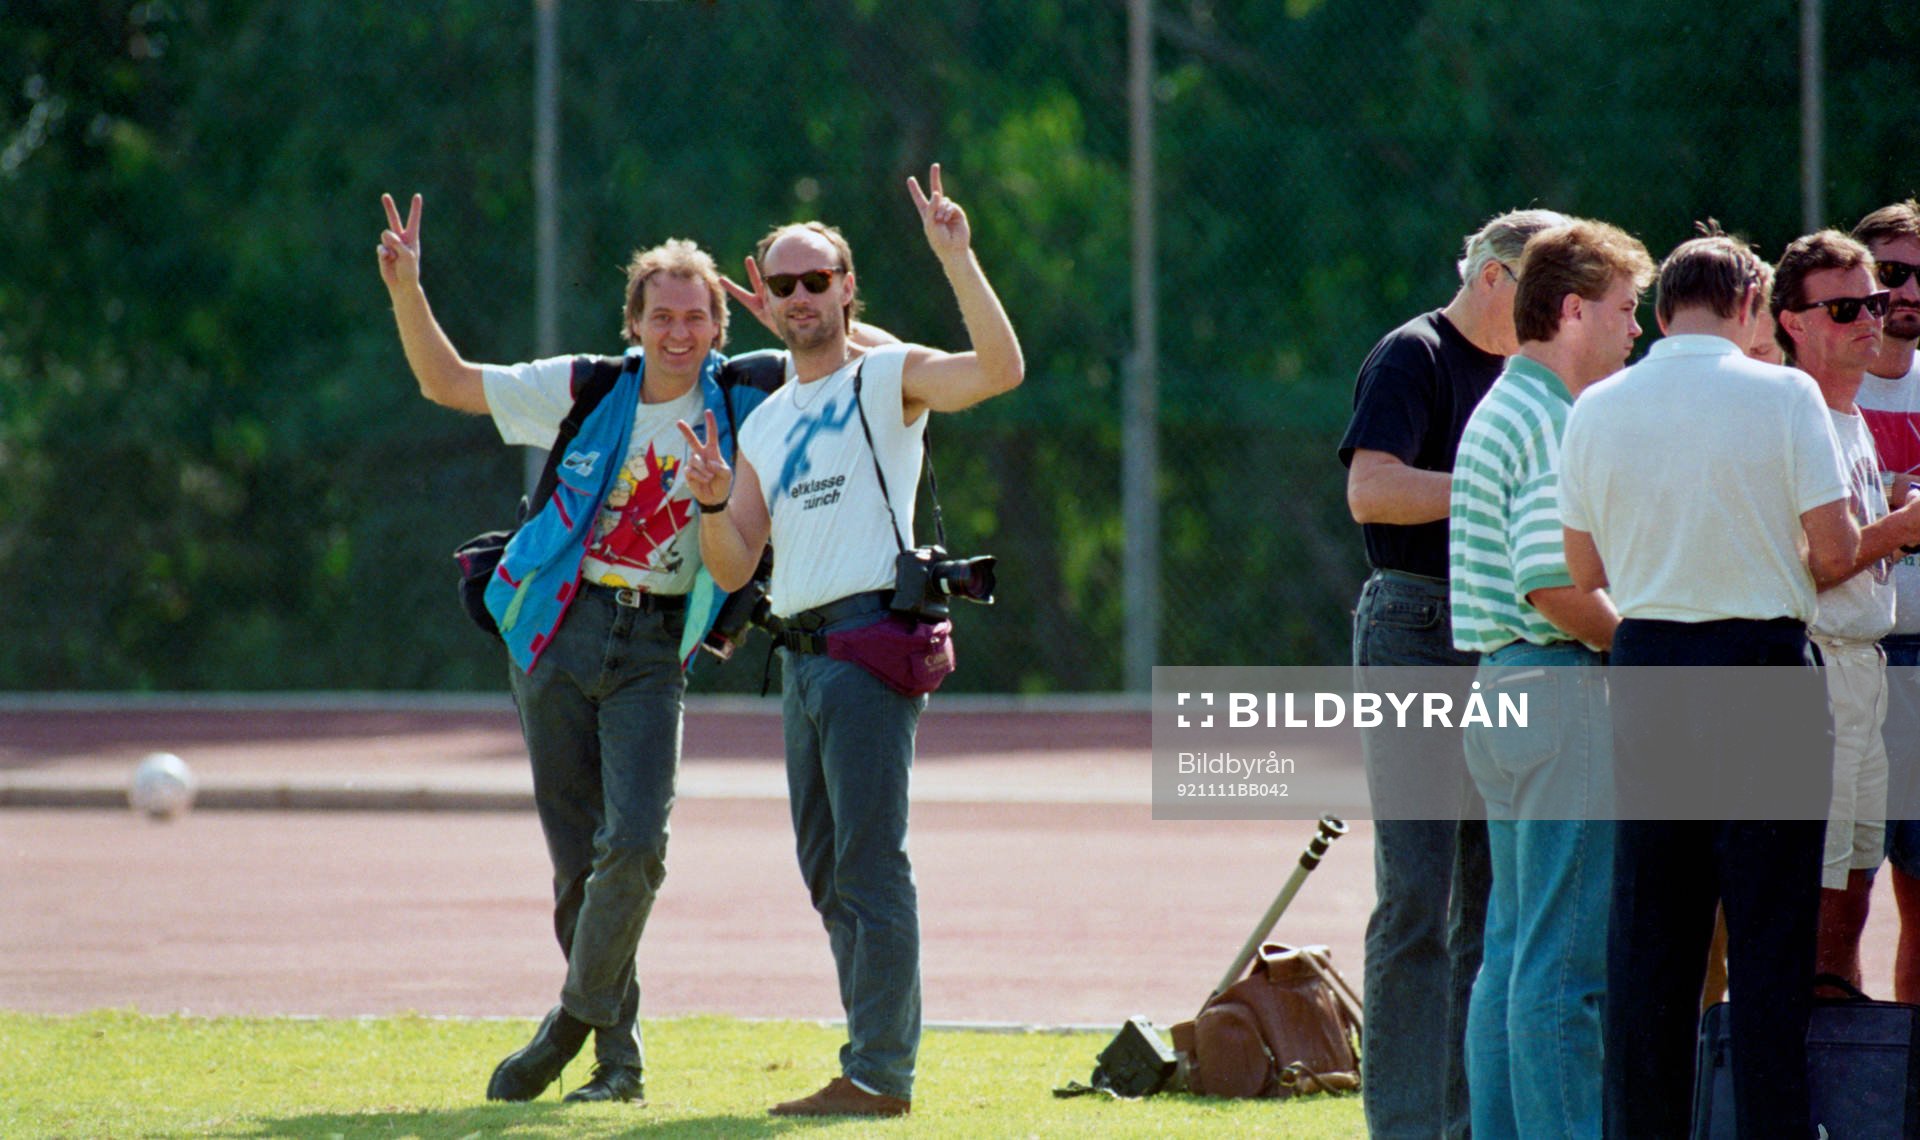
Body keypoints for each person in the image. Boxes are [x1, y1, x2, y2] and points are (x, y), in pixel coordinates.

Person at [375, 194, 780, 1105]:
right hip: (555, 630)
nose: (679, 332)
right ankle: (619, 1063)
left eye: (697, 316)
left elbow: (864, 366)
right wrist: (407, 287)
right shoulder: (590, 385)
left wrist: (786, 312)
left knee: (634, 845)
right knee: (577, 862)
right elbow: (449, 381)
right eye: (662, 315)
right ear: (633, 321)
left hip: (654, 645)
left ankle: (567, 1023)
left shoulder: (758, 390)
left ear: (721, 323)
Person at [678, 164, 1023, 1118]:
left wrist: (958, 258)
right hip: (802, 661)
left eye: (816, 280)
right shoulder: (767, 420)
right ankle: (870, 1059)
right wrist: (711, 500)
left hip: (871, 647)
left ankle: (878, 1073)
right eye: (782, 285)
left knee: (872, 864)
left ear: (846, 289)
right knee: (829, 870)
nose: (797, 297)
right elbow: (735, 559)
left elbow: (998, 372)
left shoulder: (884, 377)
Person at [1559, 229, 1861, 1140]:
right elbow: (1839, 548)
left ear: (1660, 312)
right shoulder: (1784, 394)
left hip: (1649, 666)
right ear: (1751, 305)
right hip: (1762, 667)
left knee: (1651, 941)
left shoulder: (1598, 406)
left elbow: (1583, 565)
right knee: (1770, 941)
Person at [1338, 206, 1566, 1140]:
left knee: (1494, 900)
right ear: (1494, 278)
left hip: (1507, 631)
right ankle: (1405, 1126)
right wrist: (1490, 487)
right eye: (1548, 292)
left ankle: (1471, 1125)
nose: (1562, 314)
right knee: (1417, 902)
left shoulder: (1535, 372)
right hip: (1417, 624)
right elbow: (1371, 487)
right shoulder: (1414, 355)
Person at [1448, 218, 1650, 1140]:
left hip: (1503, 686)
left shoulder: (1505, 402)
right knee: (1563, 973)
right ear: (1574, 311)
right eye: (1623, 309)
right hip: (1556, 689)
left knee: (1512, 955)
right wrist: (1636, 653)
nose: (1633, 329)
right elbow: (1553, 581)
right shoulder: (1552, 417)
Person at [1774, 230, 1920, 991]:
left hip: (1864, 663)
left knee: (1856, 891)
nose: (1872, 316)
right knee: (1814, 897)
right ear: (1793, 322)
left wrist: (1888, 521)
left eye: (1873, 300)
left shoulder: (1850, 416)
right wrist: (1897, 530)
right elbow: (1809, 568)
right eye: (1843, 308)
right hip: (1819, 668)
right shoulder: (1790, 413)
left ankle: (1841, 1092)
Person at [1851, 199, 1920, 1002]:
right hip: (1846, 655)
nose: (1905, 291)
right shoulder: (1817, 386)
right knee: (1838, 899)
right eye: (1889, 274)